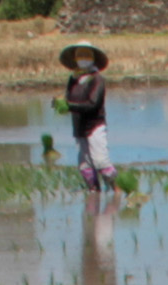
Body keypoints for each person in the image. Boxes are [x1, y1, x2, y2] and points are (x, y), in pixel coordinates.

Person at [59, 42, 114, 189]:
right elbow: (68, 98)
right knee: (85, 166)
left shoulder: (97, 79)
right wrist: (61, 104)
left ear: (93, 59)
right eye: (80, 56)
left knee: (101, 162)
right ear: (75, 59)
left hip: (95, 125)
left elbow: (93, 104)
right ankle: (94, 194)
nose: (83, 59)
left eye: (86, 56)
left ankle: (118, 191)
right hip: (79, 126)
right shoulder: (74, 79)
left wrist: (70, 106)